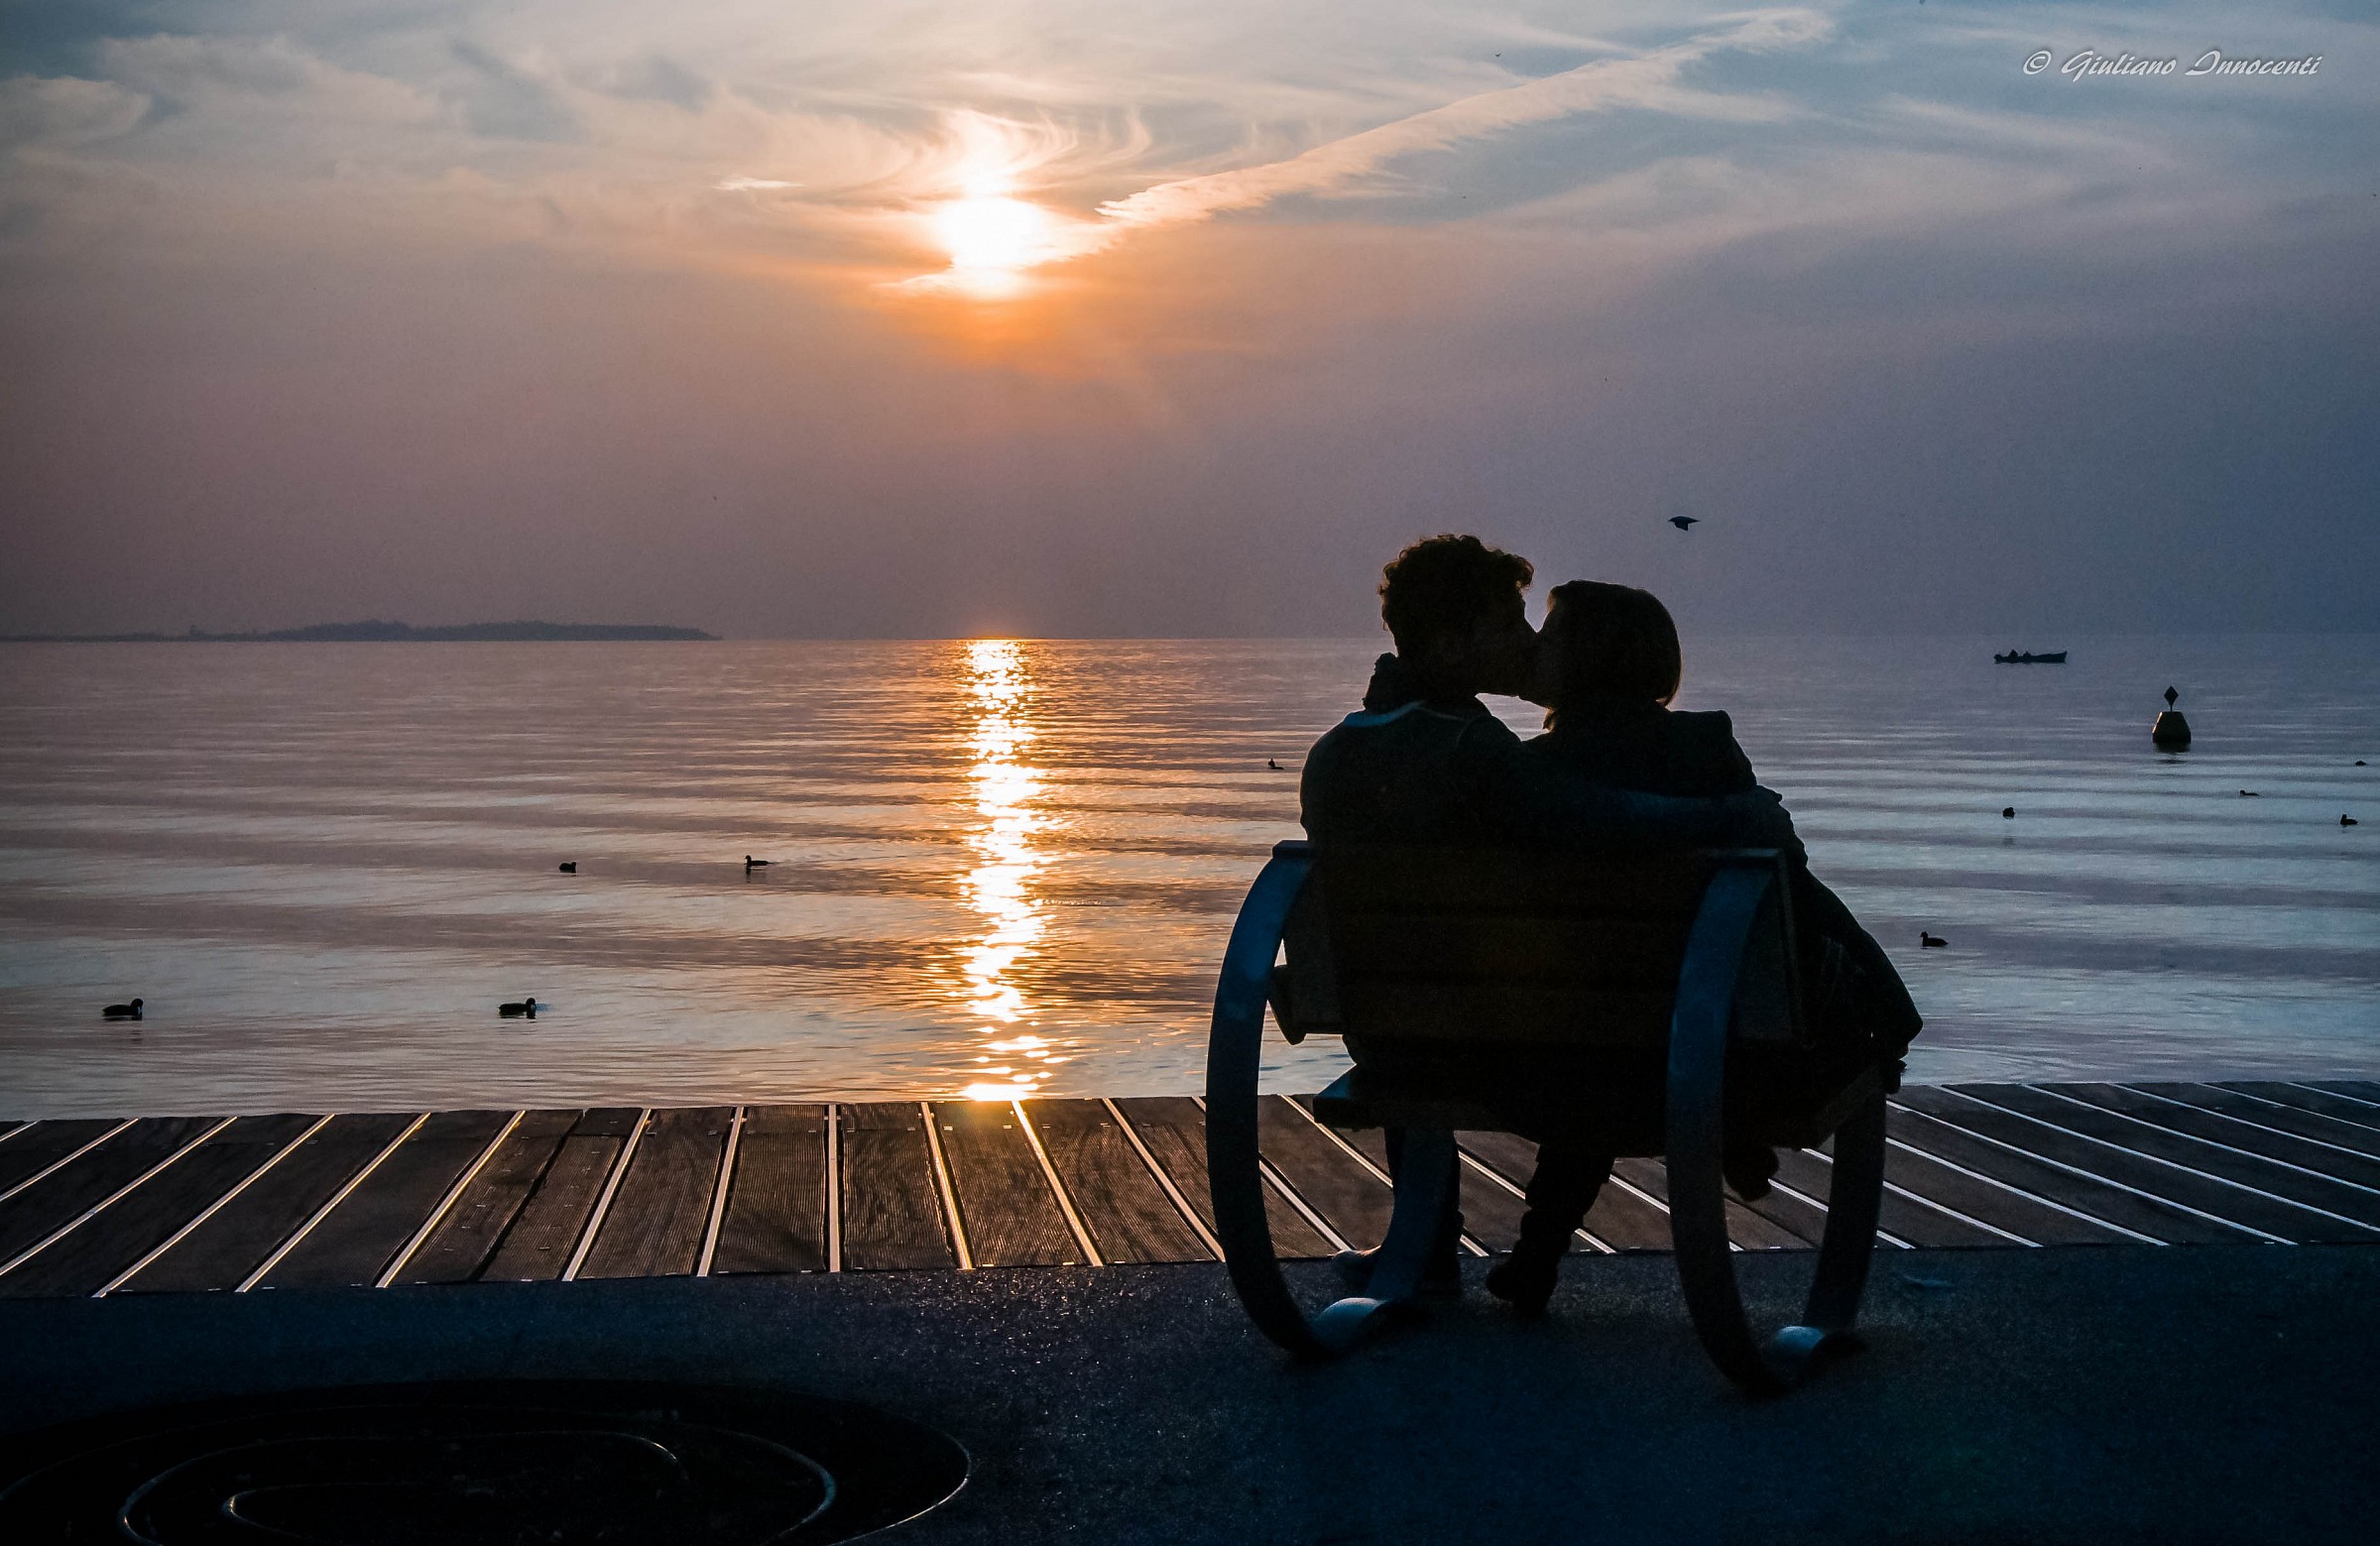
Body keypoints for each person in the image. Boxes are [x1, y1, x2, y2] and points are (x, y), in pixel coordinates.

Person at [1298, 537, 1809, 1299]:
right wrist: (1737, 815)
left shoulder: (1333, 755)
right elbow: (1611, 817)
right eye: (1508, 626)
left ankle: (1429, 1245)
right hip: (1524, 1046)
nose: (1530, 643)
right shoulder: (1480, 754)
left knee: (1433, 985)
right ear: (1449, 644)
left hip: (1393, 1037)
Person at [1482, 579, 1921, 1315]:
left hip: (1579, 1039)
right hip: (1717, 1035)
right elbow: (1790, 892)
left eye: (1551, 636)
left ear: (1588, 660)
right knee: (1749, 932)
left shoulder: (1532, 775)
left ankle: (1538, 1252)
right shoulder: (1706, 751)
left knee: (1603, 1054)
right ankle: (1736, 1121)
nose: (1535, 645)